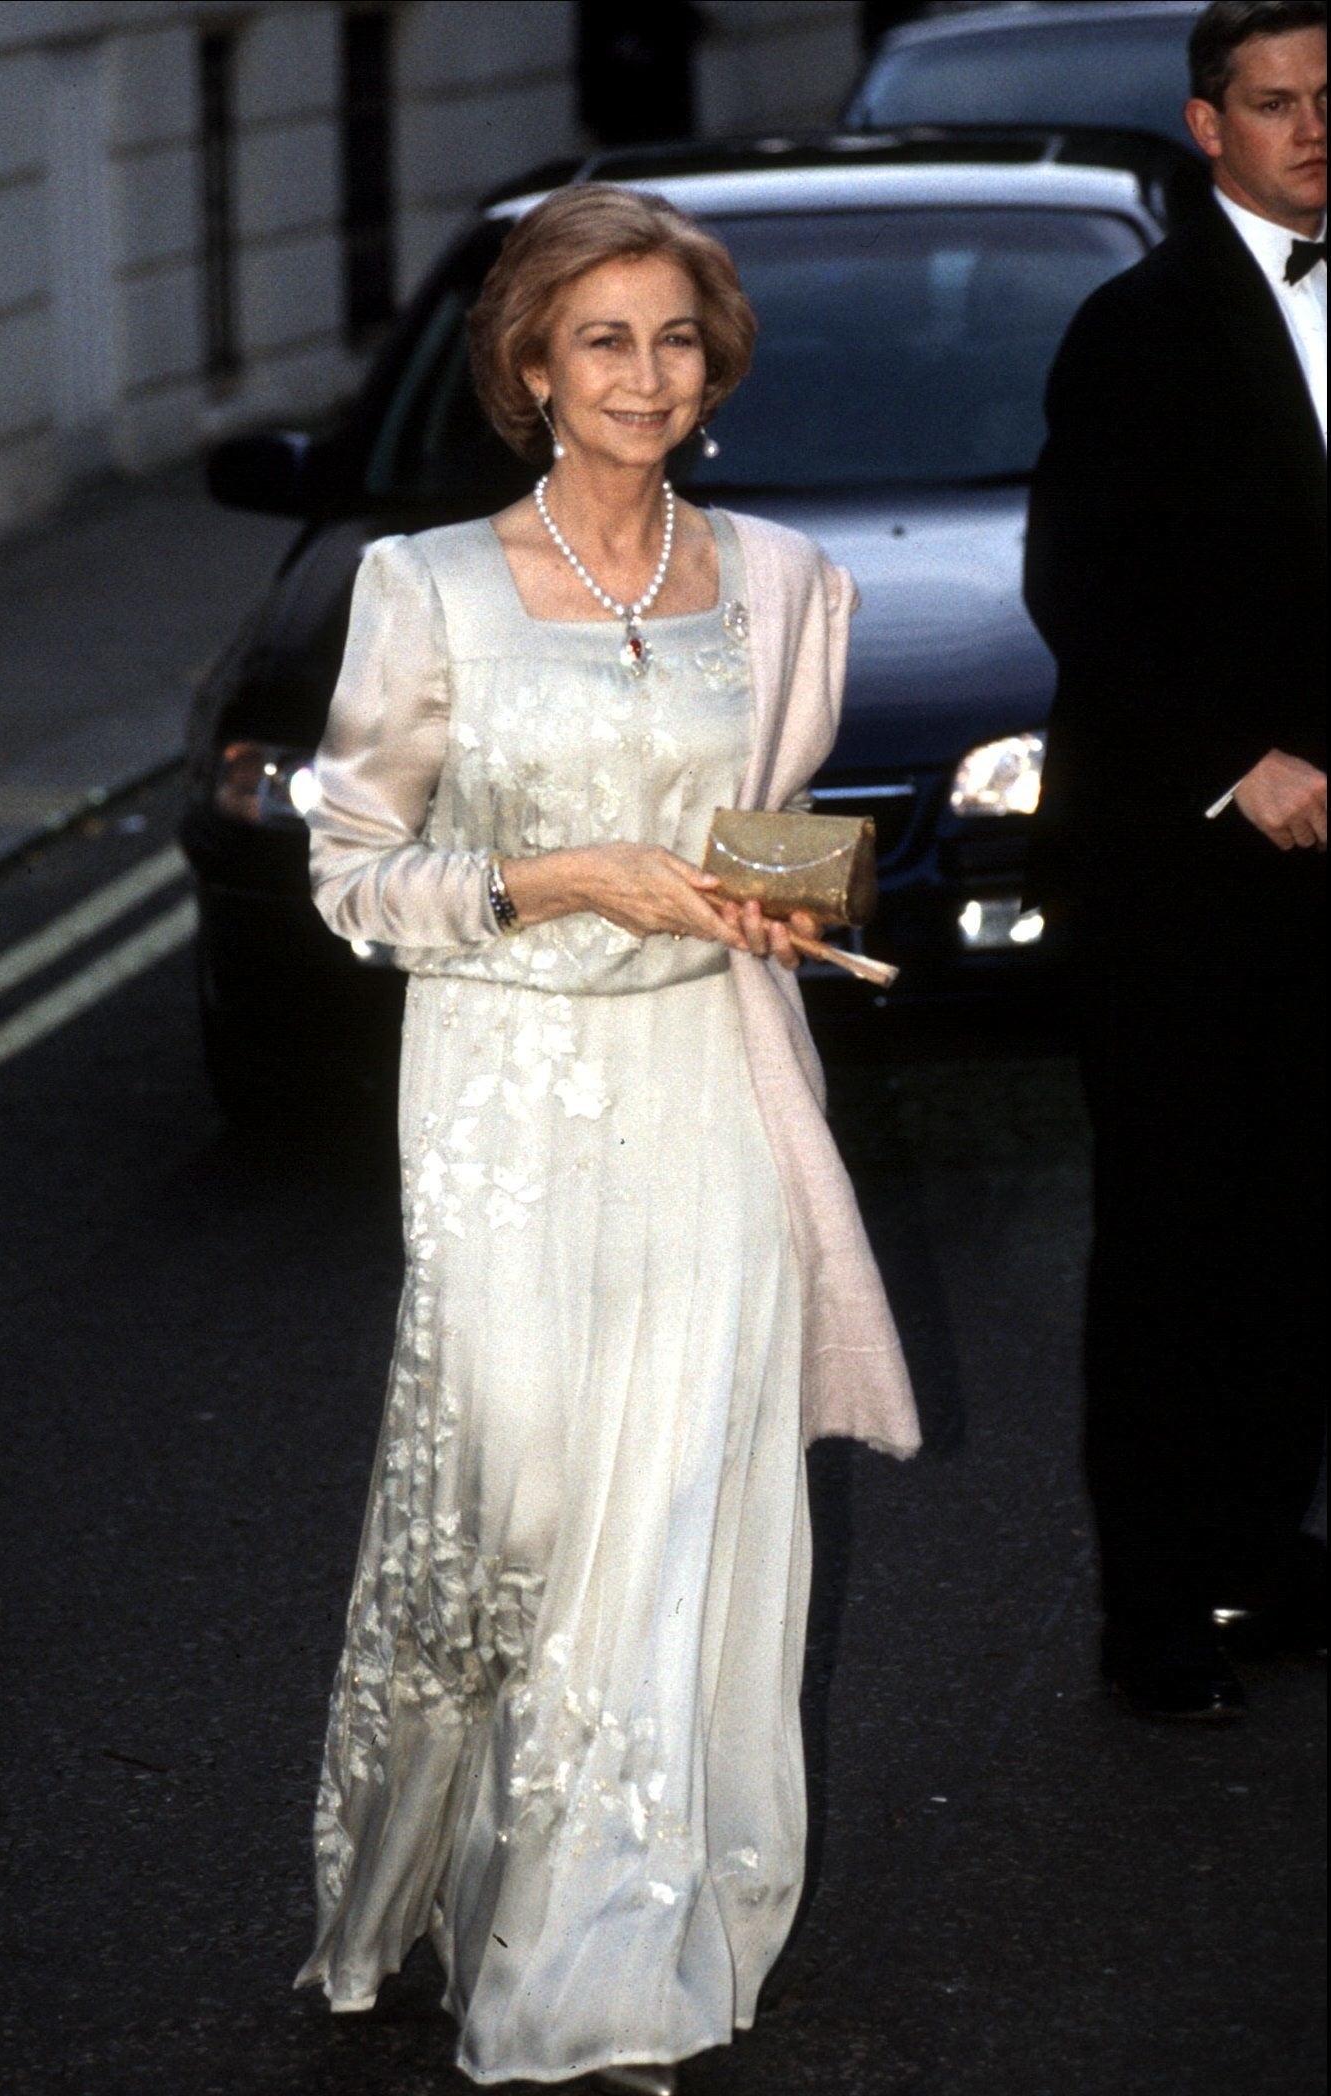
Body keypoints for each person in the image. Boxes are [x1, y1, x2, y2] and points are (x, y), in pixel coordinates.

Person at [293, 185, 920, 2089]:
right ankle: (425, 1874)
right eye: (602, 341)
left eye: (672, 338)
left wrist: (768, 902)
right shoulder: (429, 585)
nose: (643, 375)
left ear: (709, 364)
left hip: (705, 1101)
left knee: (677, 1523)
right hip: (497, 1099)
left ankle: (605, 1961)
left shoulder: (784, 580)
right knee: (523, 1506)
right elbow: (350, 872)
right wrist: (566, 874)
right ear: (531, 369)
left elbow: (774, 837)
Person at [1024, 0, 1326, 1722]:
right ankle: (1150, 1617)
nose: (1307, 130)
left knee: (1304, 1240)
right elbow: (1080, 585)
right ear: (1206, 127)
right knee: (1170, 1249)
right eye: (1271, 104)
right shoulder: (1131, 328)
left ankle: (1258, 1559)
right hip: (1182, 871)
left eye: (1325, 100)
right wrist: (1238, 755)